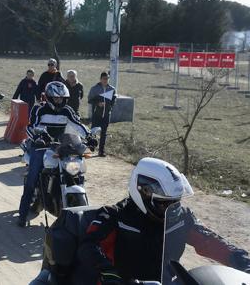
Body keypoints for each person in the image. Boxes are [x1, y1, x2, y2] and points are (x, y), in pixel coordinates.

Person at [78, 157, 250, 284]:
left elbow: (211, 241)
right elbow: (88, 246)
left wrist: (242, 260)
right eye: (164, 203)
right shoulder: (114, 216)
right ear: (142, 193)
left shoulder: (180, 217)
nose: (172, 208)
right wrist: (110, 274)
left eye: (176, 202)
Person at [17, 81, 93, 227]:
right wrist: (37, 138)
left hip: (60, 146)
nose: (59, 101)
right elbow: (30, 127)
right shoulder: (39, 109)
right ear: (49, 98)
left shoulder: (67, 110)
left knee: (75, 171)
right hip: (40, 147)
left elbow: (77, 125)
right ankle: (23, 213)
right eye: (56, 98)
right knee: (33, 178)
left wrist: (89, 136)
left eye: (62, 98)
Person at [88, 72, 116, 157]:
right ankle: (91, 146)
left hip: (106, 115)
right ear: (100, 79)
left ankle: (101, 151)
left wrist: (110, 105)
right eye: (104, 79)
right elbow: (89, 99)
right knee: (93, 131)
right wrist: (97, 103)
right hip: (96, 114)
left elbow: (113, 100)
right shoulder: (94, 88)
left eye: (107, 79)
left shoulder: (112, 89)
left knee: (104, 133)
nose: (105, 80)